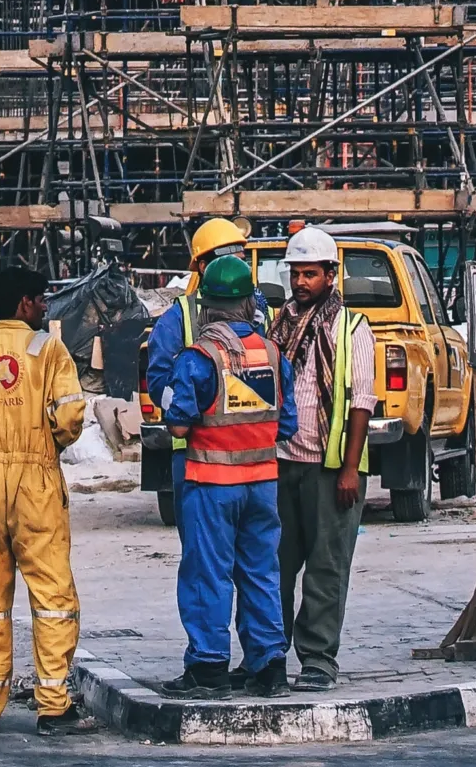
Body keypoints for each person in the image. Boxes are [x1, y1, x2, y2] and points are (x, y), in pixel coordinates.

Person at [0, 263, 96, 736]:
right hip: (36, 482)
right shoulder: (47, 349)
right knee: (51, 597)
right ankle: (53, 706)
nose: (46, 307)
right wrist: (45, 448)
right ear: (25, 302)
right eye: (42, 299)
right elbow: (70, 417)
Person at [154, 253, 293, 697]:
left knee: (208, 574)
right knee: (260, 572)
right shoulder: (272, 354)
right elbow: (286, 425)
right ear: (250, 304)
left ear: (207, 307)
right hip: (263, 485)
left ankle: (208, 667)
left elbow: (178, 423)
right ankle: (269, 666)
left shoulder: (199, 357)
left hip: (211, 485)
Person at [271, 225, 379, 691]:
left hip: (331, 467)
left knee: (325, 566)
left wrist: (350, 468)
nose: (301, 283)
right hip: (281, 463)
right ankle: (269, 654)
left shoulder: (350, 328)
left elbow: (361, 402)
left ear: (330, 276)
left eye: (310, 274)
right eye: (296, 273)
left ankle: (317, 659)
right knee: (274, 564)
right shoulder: (280, 324)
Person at [142, 218, 253, 512]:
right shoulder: (177, 319)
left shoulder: (260, 308)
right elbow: (158, 384)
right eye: (227, 259)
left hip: (252, 451)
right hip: (196, 453)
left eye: (240, 260)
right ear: (203, 266)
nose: (236, 269)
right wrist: (183, 408)